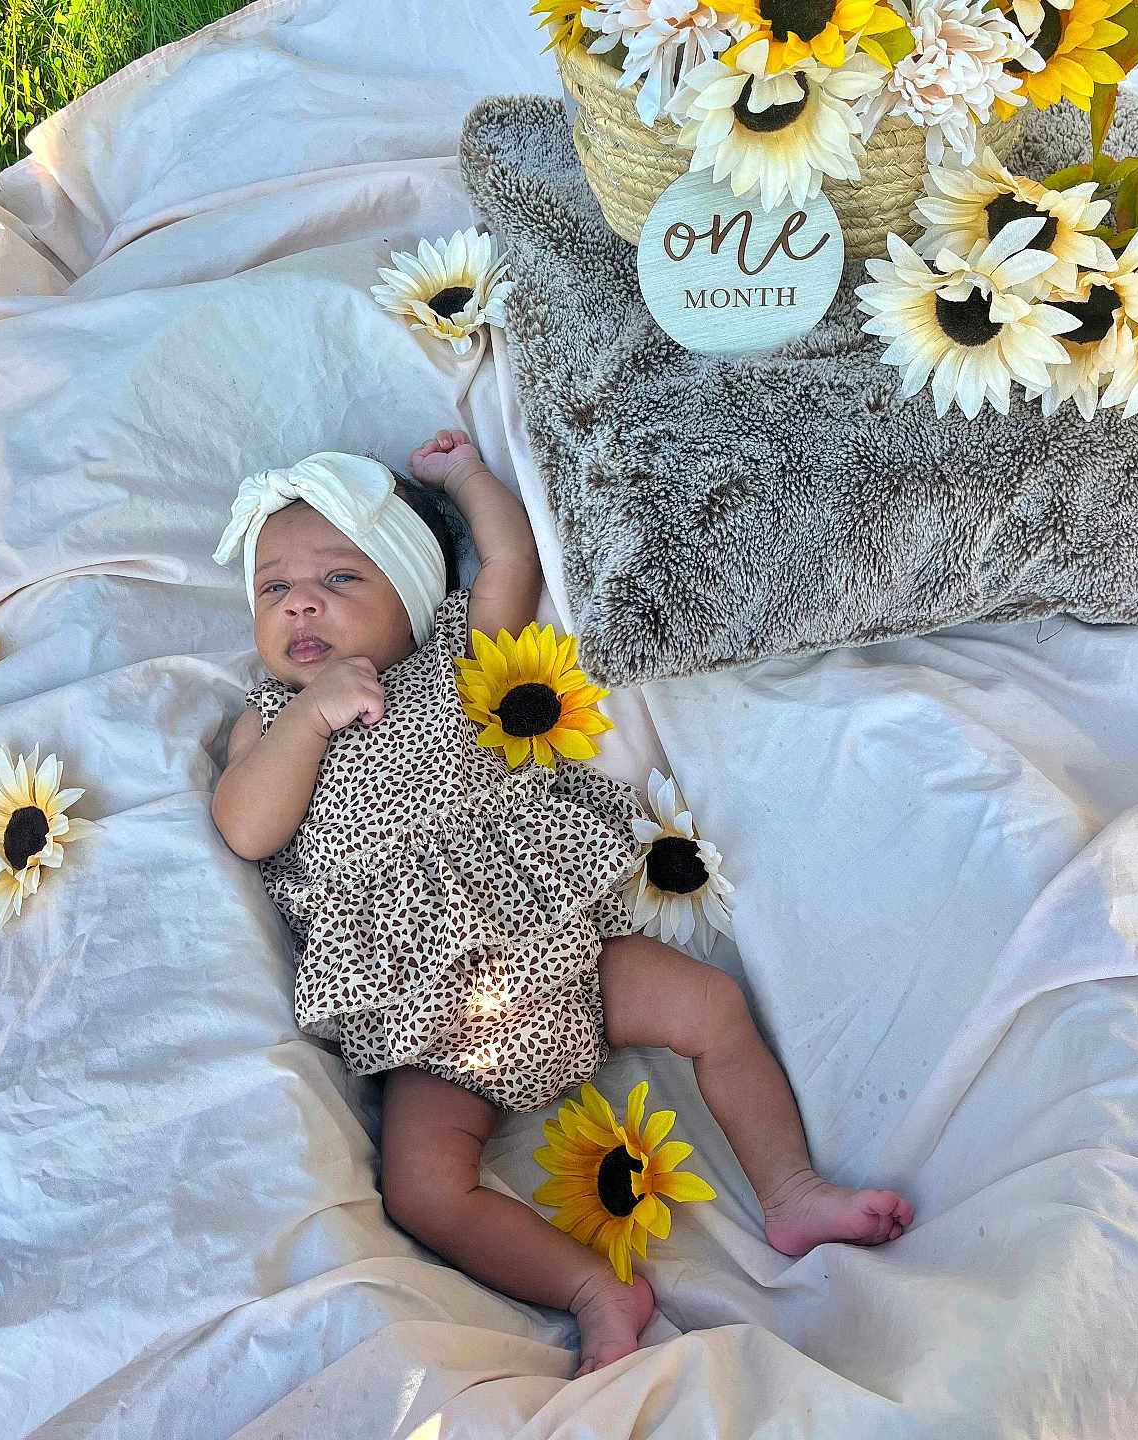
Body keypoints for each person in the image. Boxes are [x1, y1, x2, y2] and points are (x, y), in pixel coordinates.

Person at [210, 431, 914, 1375]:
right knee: (423, 1190)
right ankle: (592, 1289)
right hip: (427, 1020)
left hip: (559, 949)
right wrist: (308, 714)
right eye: (273, 588)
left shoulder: (456, 653)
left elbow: (511, 557)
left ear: (413, 597)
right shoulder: (263, 719)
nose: (301, 601)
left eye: (341, 579)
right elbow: (248, 828)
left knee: (710, 1006)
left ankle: (788, 1189)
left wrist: (462, 475)